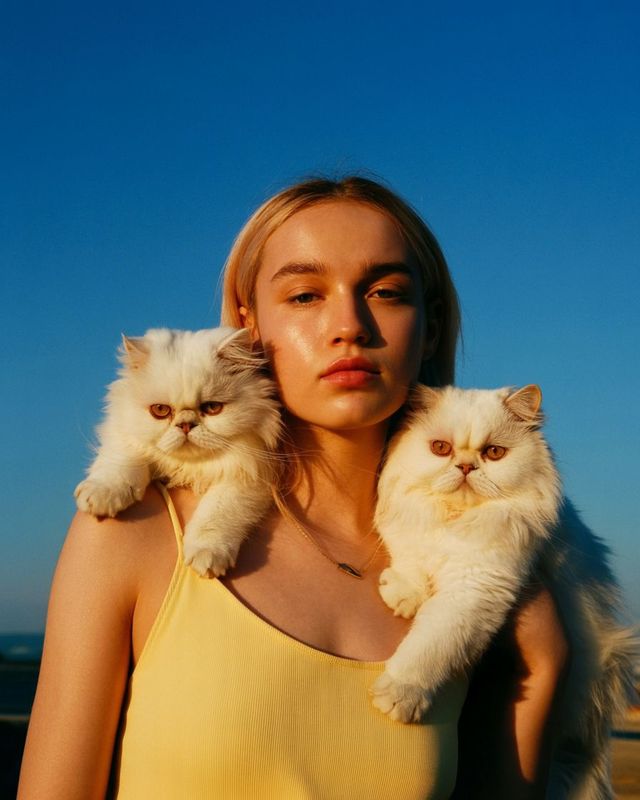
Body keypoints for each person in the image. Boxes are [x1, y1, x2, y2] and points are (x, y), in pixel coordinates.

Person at [18, 176, 569, 799]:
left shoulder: (484, 593)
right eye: (305, 295)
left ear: (432, 328)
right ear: (248, 327)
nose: (348, 325)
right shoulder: (136, 533)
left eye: (386, 291)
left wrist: (545, 665)